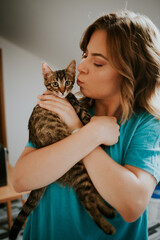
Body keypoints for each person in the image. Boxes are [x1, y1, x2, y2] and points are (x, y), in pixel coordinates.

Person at [13, 10, 160, 240]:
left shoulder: (148, 125)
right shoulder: (63, 108)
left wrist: (78, 128)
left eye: (98, 62)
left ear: (132, 72)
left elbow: (132, 205)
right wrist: (90, 133)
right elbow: (20, 180)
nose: (81, 67)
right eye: (85, 54)